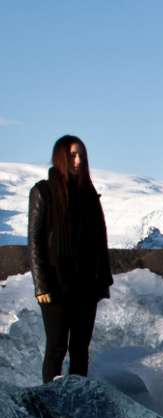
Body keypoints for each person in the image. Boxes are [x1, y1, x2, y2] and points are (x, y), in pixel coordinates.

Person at [27, 135, 113, 383]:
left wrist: (102, 280)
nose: (78, 161)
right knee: (56, 347)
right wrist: (41, 285)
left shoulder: (89, 194)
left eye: (82, 156)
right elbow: (35, 240)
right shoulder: (43, 191)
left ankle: (78, 399)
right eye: (72, 155)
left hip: (86, 283)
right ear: (60, 158)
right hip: (55, 283)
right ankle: (51, 400)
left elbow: (100, 240)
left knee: (80, 349)